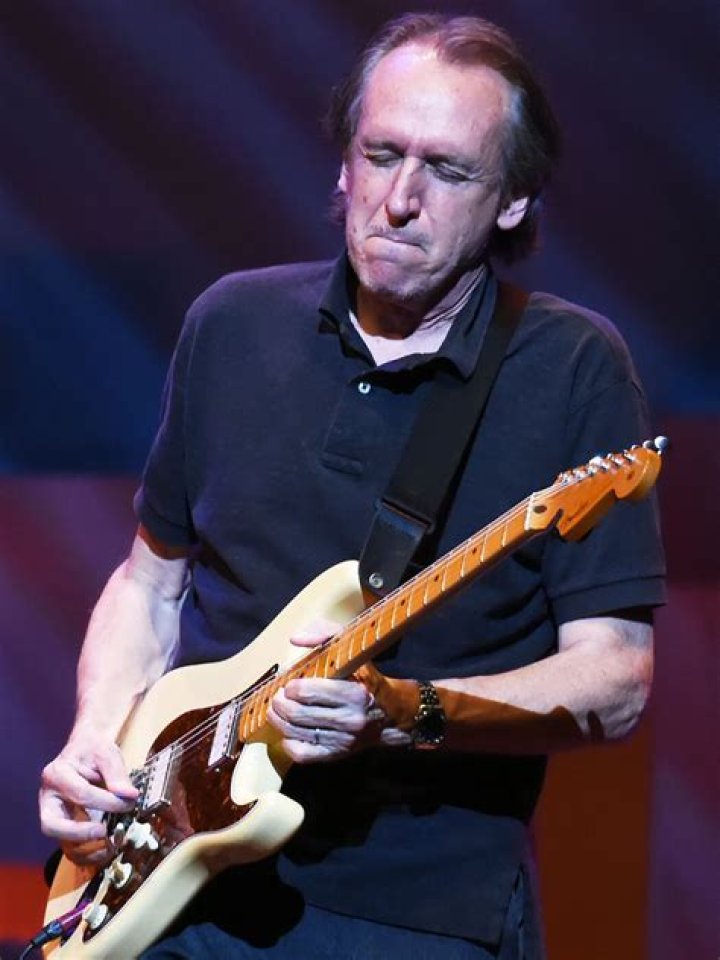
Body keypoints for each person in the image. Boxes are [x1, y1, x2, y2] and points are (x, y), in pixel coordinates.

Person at [38, 12, 665, 960]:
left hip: (410, 912)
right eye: (381, 155)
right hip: (164, 874)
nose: (400, 199)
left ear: (512, 201)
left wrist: (404, 711)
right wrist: (96, 735)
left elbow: (615, 680)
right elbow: (149, 585)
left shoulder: (573, 367)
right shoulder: (233, 322)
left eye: (447, 170)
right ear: (343, 167)